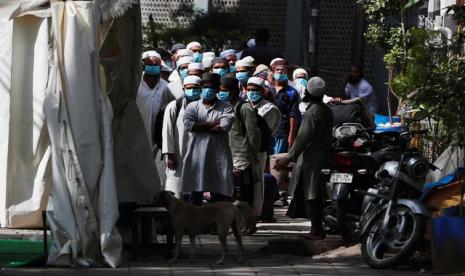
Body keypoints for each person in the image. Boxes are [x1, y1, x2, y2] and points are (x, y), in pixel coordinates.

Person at [274, 77, 333, 240]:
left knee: (311, 193)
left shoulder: (312, 112)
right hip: (323, 156)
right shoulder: (326, 109)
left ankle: (316, 228)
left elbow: (302, 138)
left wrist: (288, 157)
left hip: (311, 159)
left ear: (308, 92)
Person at [180, 73, 235, 206]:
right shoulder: (192, 106)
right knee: (195, 194)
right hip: (196, 156)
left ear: (217, 89)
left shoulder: (226, 107)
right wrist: (212, 123)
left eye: (210, 87)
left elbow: (223, 127)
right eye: (205, 87)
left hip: (218, 157)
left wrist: (199, 126)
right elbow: (189, 126)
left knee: (219, 194)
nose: (207, 90)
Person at [223, 76, 262, 215]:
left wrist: (253, 154)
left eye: (227, 90)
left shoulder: (244, 107)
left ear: (236, 90)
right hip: (228, 156)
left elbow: (253, 134)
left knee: (243, 194)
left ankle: (246, 222)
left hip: (242, 158)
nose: (224, 93)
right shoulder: (225, 107)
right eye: (221, 90)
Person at [162, 75, 202, 198]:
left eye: (195, 88)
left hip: (199, 154)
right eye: (189, 88)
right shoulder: (174, 106)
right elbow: (167, 130)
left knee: (196, 191)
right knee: (176, 191)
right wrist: (169, 153)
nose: (192, 91)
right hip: (178, 154)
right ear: (184, 89)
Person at [136, 50, 174, 149]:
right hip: (138, 133)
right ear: (144, 66)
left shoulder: (166, 86)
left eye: (155, 65)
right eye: (149, 64)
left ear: (160, 67)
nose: (152, 67)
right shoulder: (136, 84)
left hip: (159, 137)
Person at [271, 59, 300, 154]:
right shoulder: (268, 90)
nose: (280, 72)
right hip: (267, 132)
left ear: (287, 72)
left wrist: (291, 135)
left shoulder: (291, 92)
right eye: (277, 70)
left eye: (283, 70)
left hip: (281, 132)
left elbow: (293, 115)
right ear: (273, 71)